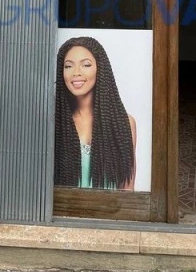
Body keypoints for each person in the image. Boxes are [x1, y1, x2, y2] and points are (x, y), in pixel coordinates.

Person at [55, 36, 137, 190]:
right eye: (68, 66)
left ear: (100, 69)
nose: (76, 73)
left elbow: (127, 189)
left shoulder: (124, 123)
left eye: (86, 65)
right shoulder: (54, 123)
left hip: (109, 211)